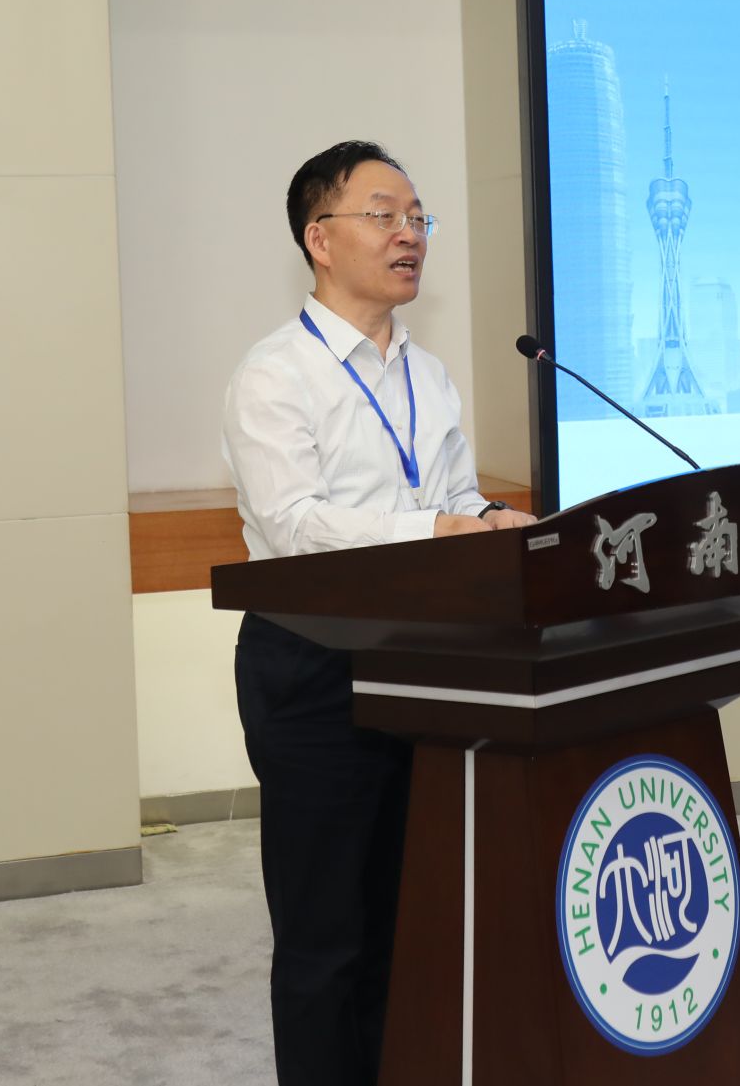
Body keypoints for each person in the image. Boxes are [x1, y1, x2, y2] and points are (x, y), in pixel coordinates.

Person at [220, 141, 535, 1086]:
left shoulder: (427, 375)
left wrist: (490, 519)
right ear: (320, 238)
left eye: (418, 217)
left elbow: (452, 494)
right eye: (384, 214)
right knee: (325, 938)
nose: (410, 234)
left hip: (424, 664)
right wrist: (435, 529)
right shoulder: (275, 374)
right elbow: (294, 524)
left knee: (409, 922)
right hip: (312, 666)